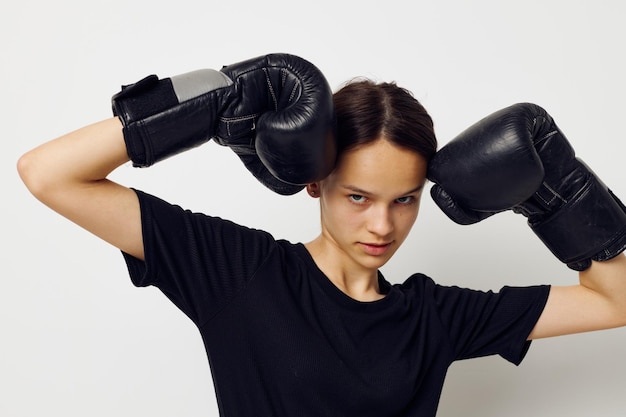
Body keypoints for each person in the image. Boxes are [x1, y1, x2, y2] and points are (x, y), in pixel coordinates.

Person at [17, 53, 626, 417]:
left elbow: (614, 301)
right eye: (358, 196)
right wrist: (214, 100)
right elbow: (48, 174)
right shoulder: (237, 271)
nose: (382, 226)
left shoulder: (432, 315)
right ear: (316, 181)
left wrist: (558, 194)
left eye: (405, 200)